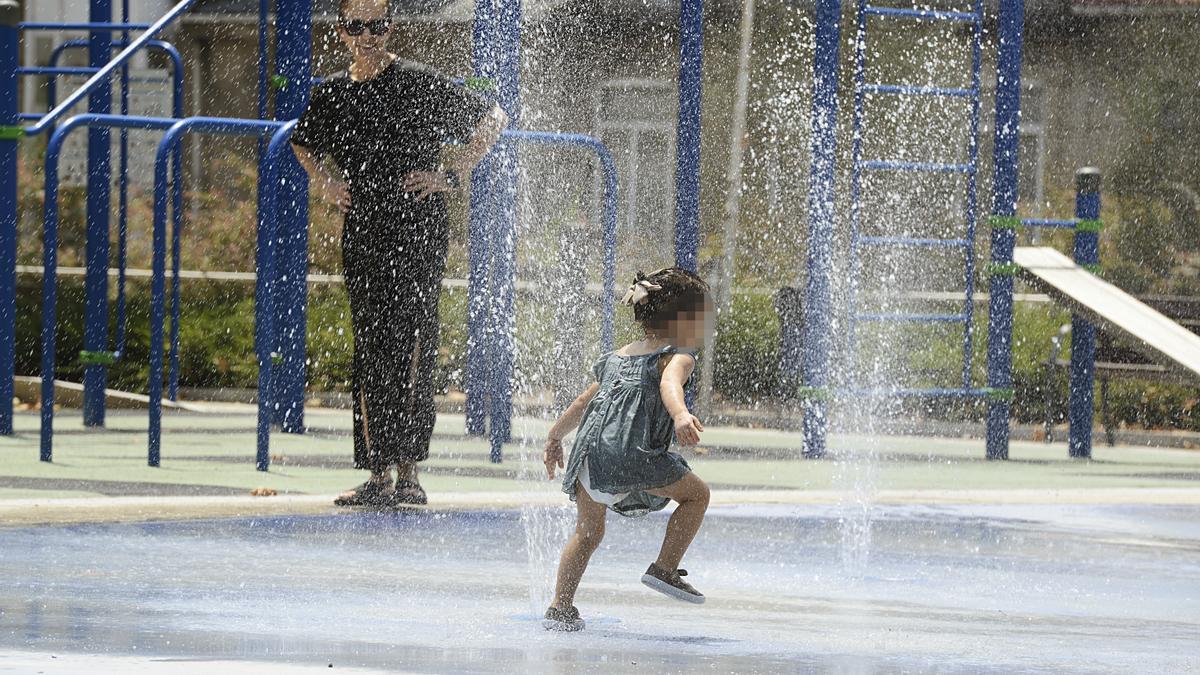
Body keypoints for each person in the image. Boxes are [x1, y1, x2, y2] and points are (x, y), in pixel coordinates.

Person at [290, 0, 508, 507]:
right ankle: (376, 474)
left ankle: (409, 471)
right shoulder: (333, 94)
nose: (369, 35)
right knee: (370, 348)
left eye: (379, 24)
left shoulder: (416, 81)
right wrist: (326, 185)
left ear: (391, 27)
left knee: (412, 342)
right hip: (365, 231)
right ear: (342, 31)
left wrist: (451, 175)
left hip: (417, 228)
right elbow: (302, 144)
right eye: (358, 26)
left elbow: (493, 117)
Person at [541, 268, 714, 632]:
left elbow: (583, 402)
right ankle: (665, 568)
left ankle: (560, 606)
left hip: (589, 454)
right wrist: (680, 415)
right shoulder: (678, 355)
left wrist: (556, 436)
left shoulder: (617, 356)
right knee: (697, 495)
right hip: (629, 453)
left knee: (587, 534)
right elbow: (670, 385)